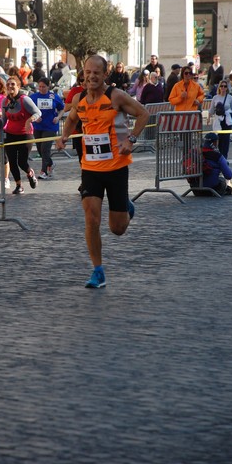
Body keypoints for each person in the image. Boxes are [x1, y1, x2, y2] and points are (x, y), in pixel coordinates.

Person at [56, 54, 150, 289]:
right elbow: (71, 120)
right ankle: (98, 271)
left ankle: (126, 207)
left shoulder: (116, 96)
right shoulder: (79, 99)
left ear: (105, 74)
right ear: (83, 74)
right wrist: (64, 135)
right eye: (88, 72)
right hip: (90, 167)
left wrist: (131, 139)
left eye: (96, 72)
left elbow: (143, 114)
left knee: (117, 229)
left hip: (116, 167)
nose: (91, 76)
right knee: (91, 217)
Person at [2, 75, 41, 195]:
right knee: (12, 161)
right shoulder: (5, 101)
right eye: (8, 84)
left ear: (18, 86)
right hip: (10, 134)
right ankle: (19, 185)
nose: (10, 86)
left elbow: (38, 112)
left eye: (13, 84)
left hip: (25, 134)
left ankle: (30, 173)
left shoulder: (25, 100)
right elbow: (3, 119)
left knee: (22, 162)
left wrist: (30, 120)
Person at [30, 77, 64, 179]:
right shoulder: (34, 97)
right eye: (39, 87)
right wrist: (35, 118)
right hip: (38, 126)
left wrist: (58, 117)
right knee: (40, 149)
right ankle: (50, 163)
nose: (41, 89)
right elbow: (28, 109)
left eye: (43, 87)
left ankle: (43, 171)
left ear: (48, 86)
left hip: (50, 126)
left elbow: (62, 109)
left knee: (45, 149)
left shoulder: (54, 96)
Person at [187, 132, 232, 197]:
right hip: (211, 189)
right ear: (215, 143)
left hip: (195, 189)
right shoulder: (218, 156)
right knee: (222, 180)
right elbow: (229, 175)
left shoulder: (195, 152)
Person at [209, 80, 232, 159]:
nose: (223, 88)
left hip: (227, 119)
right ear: (219, 87)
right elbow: (211, 109)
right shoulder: (215, 97)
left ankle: (224, 157)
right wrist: (208, 118)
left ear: (227, 88)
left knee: (226, 139)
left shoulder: (230, 98)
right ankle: (220, 156)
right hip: (218, 120)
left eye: (225, 86)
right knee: (219, 138)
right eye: (221, 86)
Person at [64, 70, 85, 166]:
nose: (83, 82)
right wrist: (77, 102)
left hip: (94, 131)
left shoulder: (99, 91)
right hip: (78, 130)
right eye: (81, 80)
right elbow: (66, 108)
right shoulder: (75, 91)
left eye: (85, 79)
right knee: (81, 157)